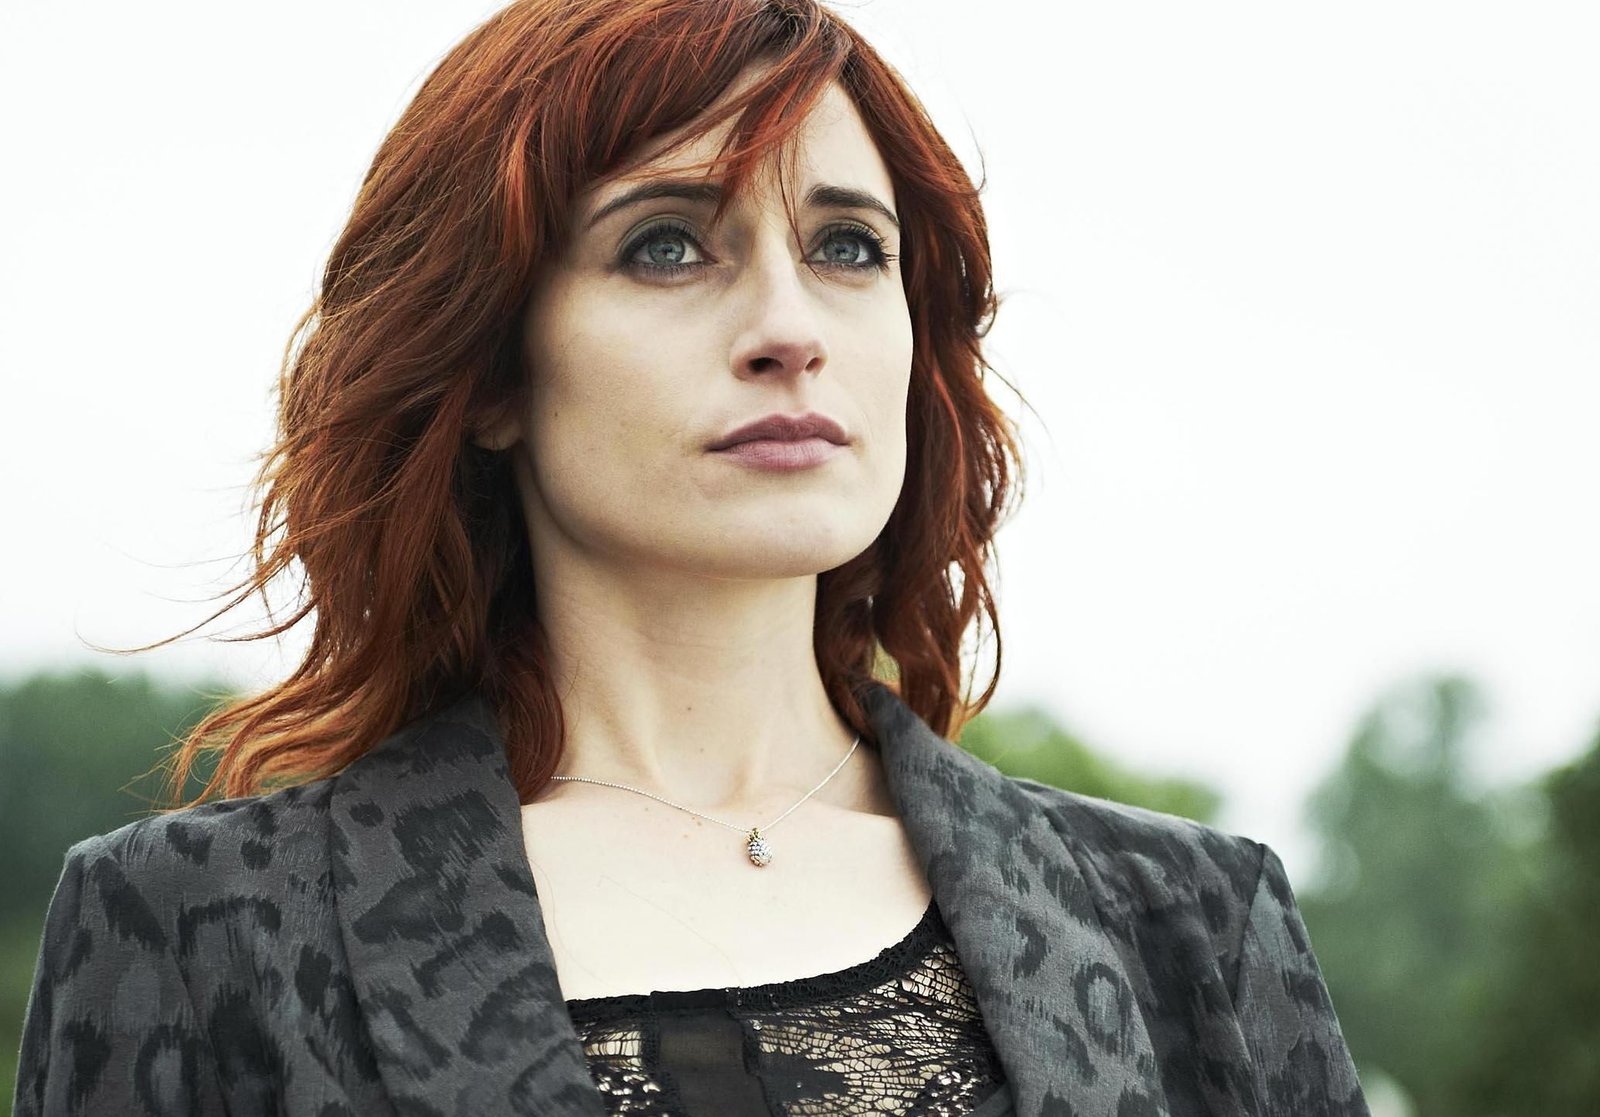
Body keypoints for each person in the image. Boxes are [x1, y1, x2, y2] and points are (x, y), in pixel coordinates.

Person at [13, 1, 1370, 1114]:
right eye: (667, 246)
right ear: (490, 368)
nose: (791, 327)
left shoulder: (1192, 923)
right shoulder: (197, 930)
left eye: (850, 246)